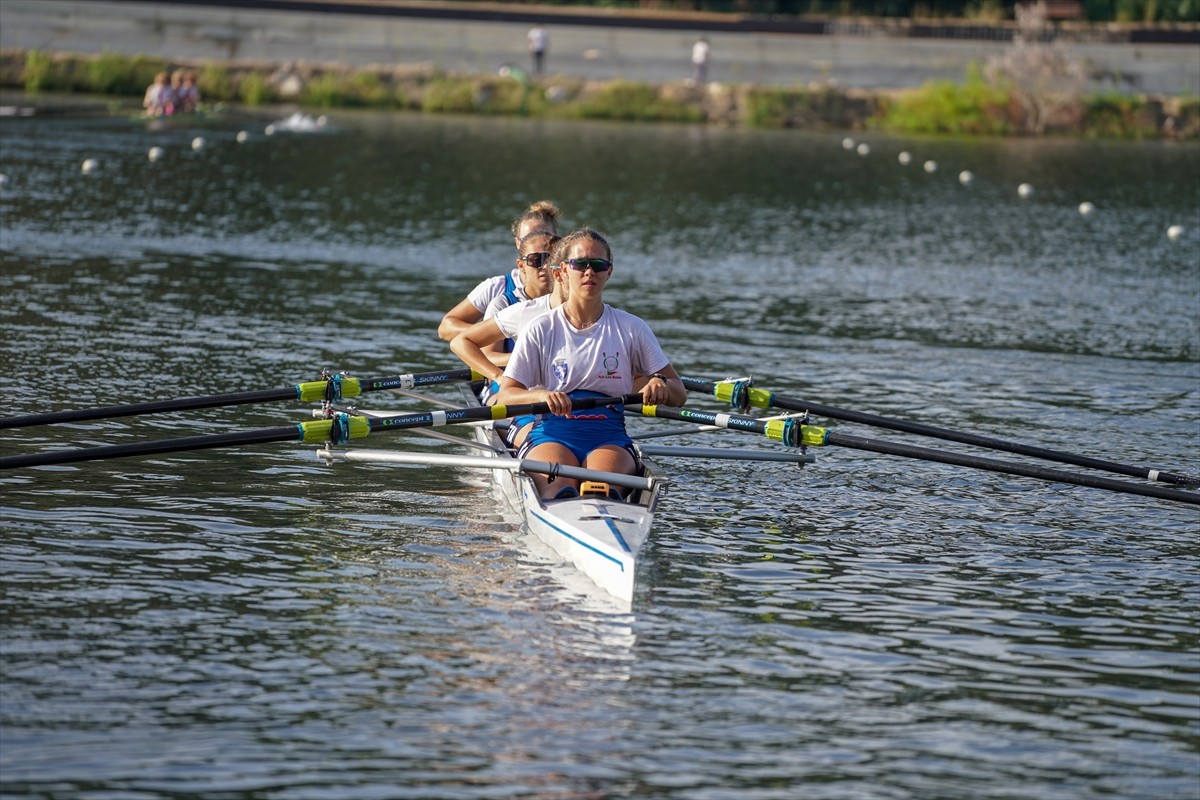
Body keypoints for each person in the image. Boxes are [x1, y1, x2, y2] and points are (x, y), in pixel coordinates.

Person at [492, 228, 687, 500]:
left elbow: (680, 394)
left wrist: (661, 384)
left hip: (607, 435)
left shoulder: (633, 328)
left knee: (603, 495)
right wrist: (542, 395)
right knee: (558, 491)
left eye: (598, 265)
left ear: (609, 272)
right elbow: (506, 394)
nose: (589, 272)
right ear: (561, 273)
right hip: (552, 432)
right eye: (580, 264)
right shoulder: (540, 328)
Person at [451, 231, 566, 446]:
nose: (544, 266)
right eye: (536, 260)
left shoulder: (578, 309)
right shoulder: (507, 305)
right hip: (511, 389)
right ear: (521, 265)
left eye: (550, 258)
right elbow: (484, 353)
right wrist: (513, 367)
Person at [437, 200, 561, 342]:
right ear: (517, 243)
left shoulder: (568, 288)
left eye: (545, 235)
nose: (537, 241)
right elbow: (445, 328)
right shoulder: (497, 288)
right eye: (528, 237)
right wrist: (494, 331)